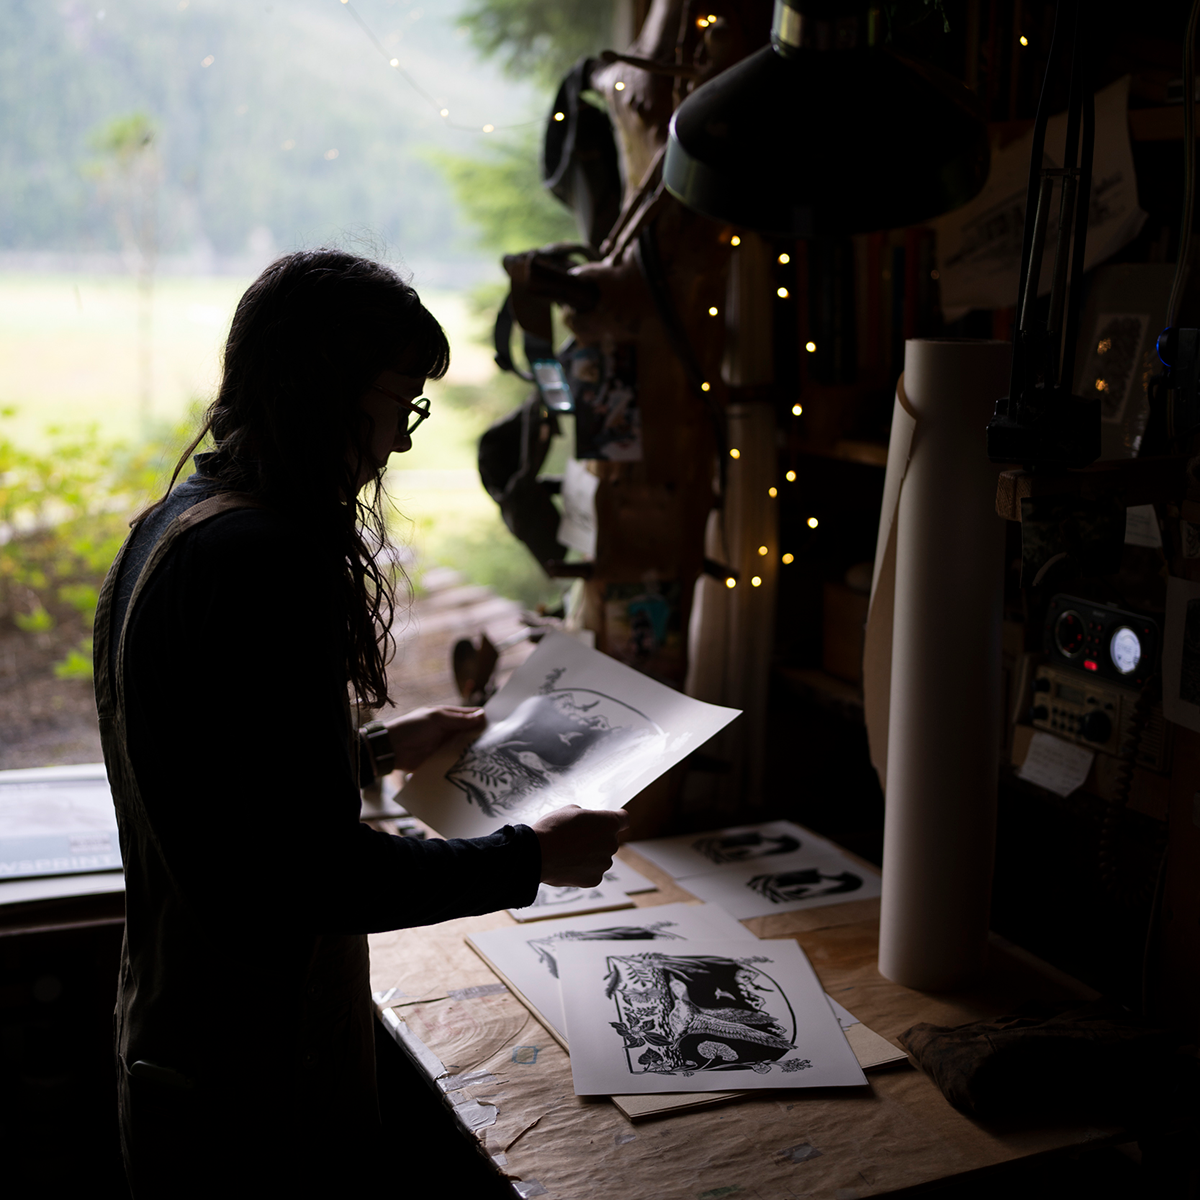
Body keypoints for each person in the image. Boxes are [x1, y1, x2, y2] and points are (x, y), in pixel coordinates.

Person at [93, 249, 627, 1195]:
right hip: (260, 1082)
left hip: (179, 1043)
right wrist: (533, 859)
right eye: (401, 405)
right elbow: (317, 873)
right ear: (328, 389)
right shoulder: (263, 561)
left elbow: (209, 775)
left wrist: (371, 750)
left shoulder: (176, 525)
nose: (398, 445)